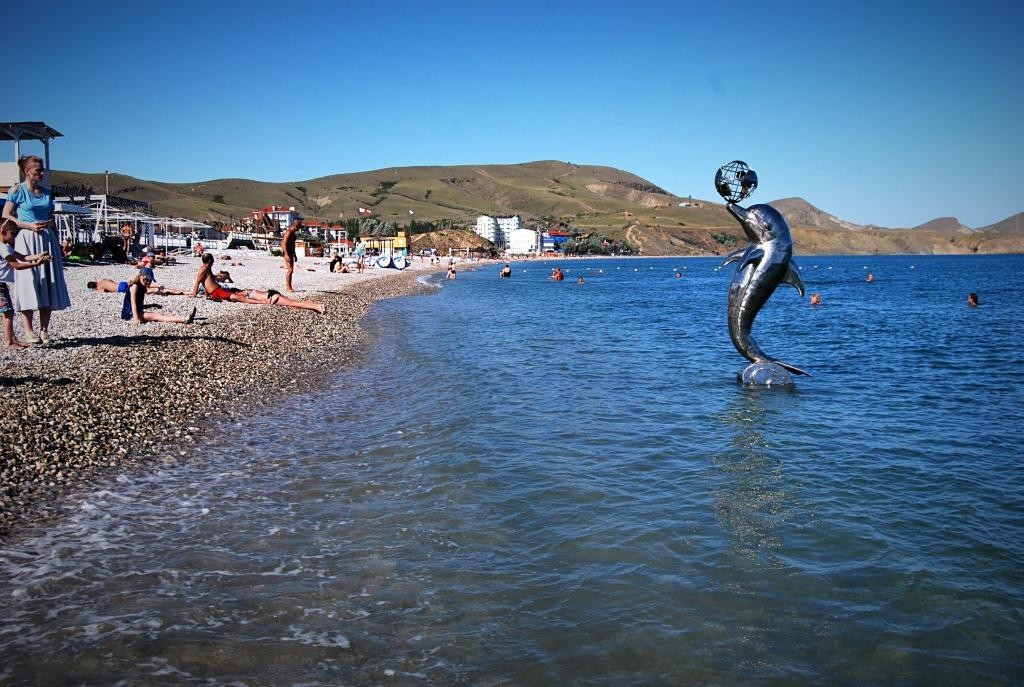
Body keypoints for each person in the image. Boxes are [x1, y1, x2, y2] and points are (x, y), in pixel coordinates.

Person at [1, 155, 71, 344]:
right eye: (38, 170)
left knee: (48, 281)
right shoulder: (17, 191)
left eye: (42, 169)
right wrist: (25, 225)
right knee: (28, 281)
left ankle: (44, 330)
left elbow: (51, 217)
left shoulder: (47, 192)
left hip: (47, 238)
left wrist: (56, 238)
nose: (41, 173)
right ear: (27, 171)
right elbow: (6, 215)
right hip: (26, 237)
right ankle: (28, 330)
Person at [0, 218, 53, 348]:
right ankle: (9, 342)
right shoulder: (3, 248)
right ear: (2, 232)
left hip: (2, 284)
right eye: (12, 233)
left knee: (7, 311)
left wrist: (38, 255)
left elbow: (22, 257)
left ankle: (12, 338)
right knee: (8, 312)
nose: (15, 236)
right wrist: (37, 264)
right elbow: (17, 265)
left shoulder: (7, 246)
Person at [121, 272, 196, 325]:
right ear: (140, 276)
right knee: (156, 316)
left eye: (149, 281)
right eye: (146, 279)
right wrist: (136, 319)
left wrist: (153, 305)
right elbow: (133, 304)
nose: (148, 282)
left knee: (157, 315)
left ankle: (184, 318)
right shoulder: (134, 286)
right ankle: (184, 319)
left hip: (135, 312)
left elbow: (139, 305)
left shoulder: (141, 288)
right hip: (130, 314)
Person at [282, 217, 300, 292]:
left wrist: (294, 254)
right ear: (295, 225)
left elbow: (292, 244)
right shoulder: (288, 232)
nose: (299, 228)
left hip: (291, 252)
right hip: (287, 252)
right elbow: (283, 243)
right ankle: (288, 287)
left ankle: (289, 286)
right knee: (290, 270)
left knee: (291, 270)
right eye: (299, 226)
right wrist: (286, 254)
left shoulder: (293, 233)